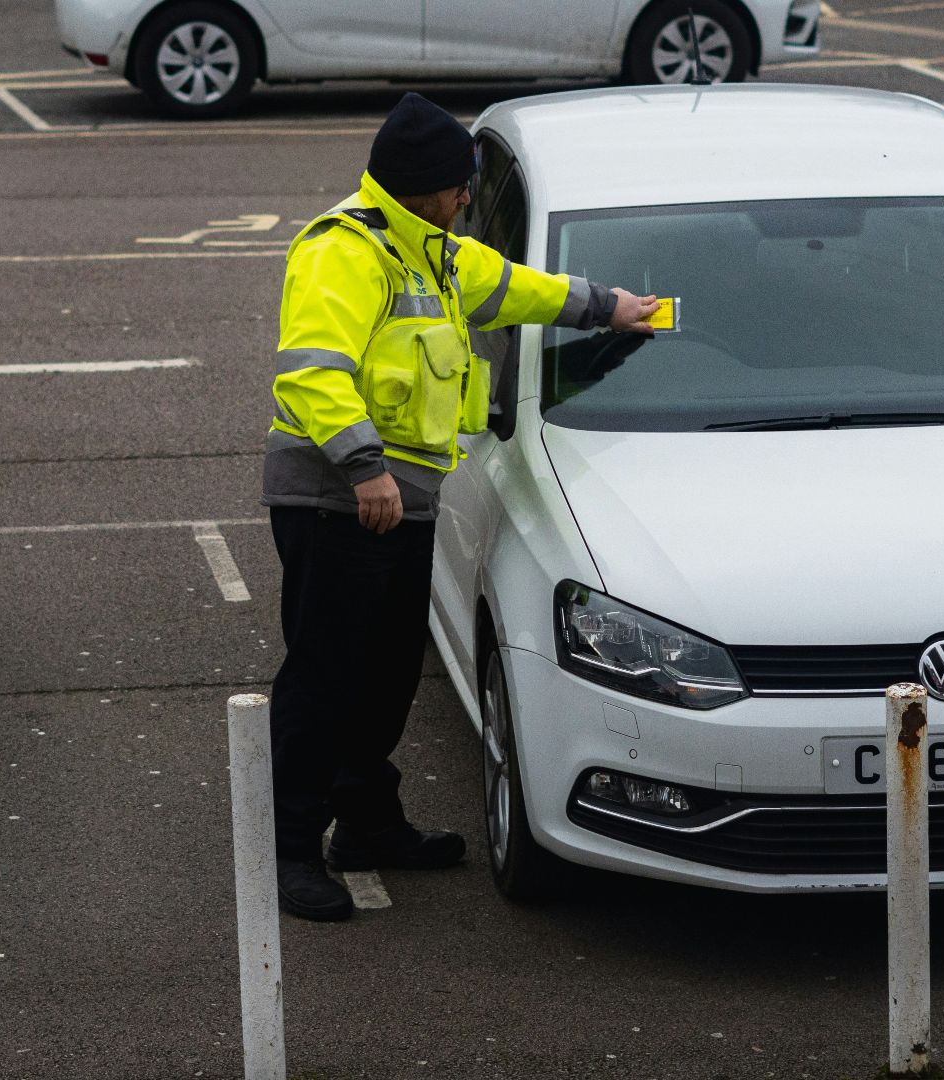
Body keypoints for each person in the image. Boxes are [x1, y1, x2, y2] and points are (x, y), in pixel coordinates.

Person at [262, 92, 659, 921]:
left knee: (383, 680)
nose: (468, 199)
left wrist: (611, 308)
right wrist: (363, 468)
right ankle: (292, 851)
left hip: (400, 504)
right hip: (339, 503)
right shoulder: (345, 251)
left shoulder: (435, 250)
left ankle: (367, 826)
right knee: (325, 681)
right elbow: (311, 371)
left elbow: (517, 287)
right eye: (458, 186)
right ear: (419, 189)